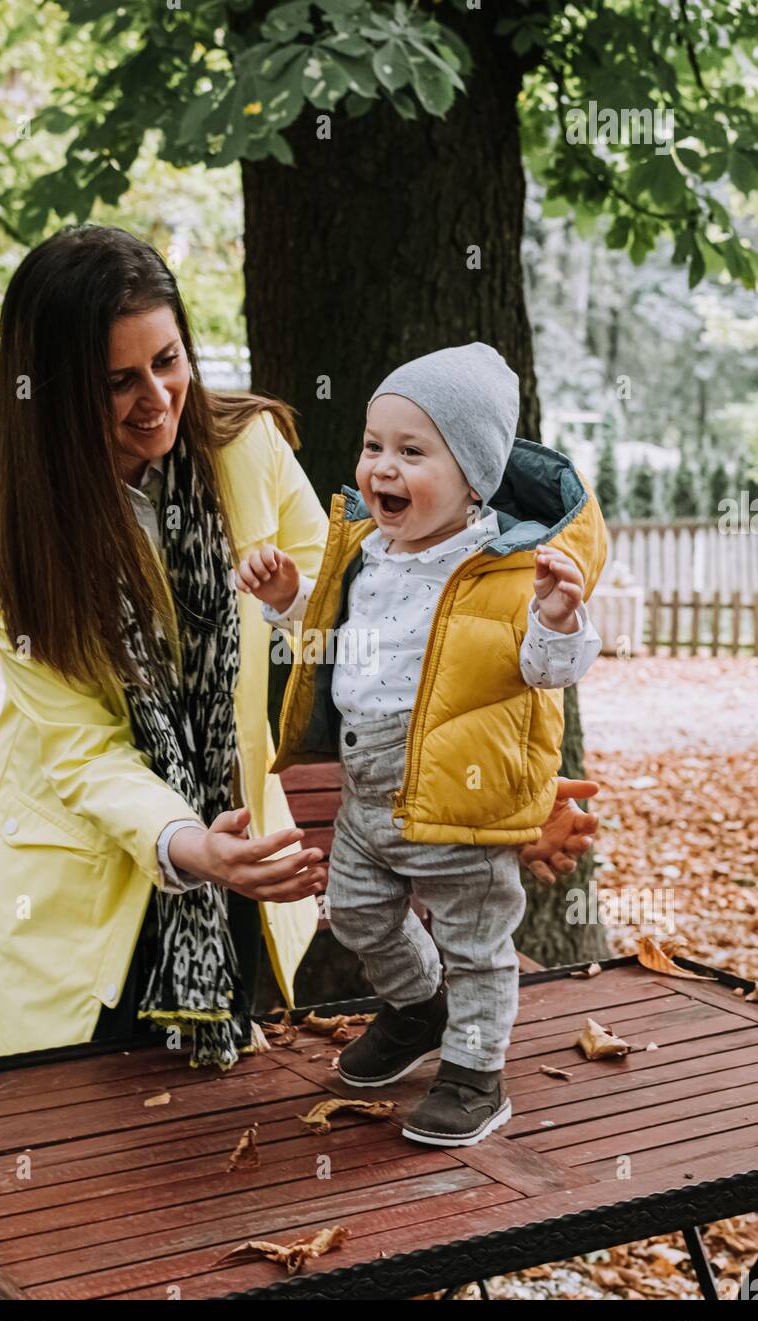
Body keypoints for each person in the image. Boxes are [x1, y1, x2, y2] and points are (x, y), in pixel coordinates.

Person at [0, 225, 330, 1067]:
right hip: (89, 902)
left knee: (228, 1158)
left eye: (168, 361)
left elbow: (355, 623)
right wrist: (191, 847)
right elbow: (83, 747)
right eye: (117, 381)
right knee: (91, 1175)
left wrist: (490, 802)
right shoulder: (6, 525)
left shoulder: (248, 450)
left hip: (239, 863)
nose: (156, 397)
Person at [238, 343, 607, 1141]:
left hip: (458, 794)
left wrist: (558, 617)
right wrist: (287, 600)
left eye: (412, 451)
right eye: (374, 447)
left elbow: (549, 671)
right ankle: (417, 1009)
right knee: (362, 915)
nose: (382, 469)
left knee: (477, 944)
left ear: (474, 477)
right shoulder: (366, 554)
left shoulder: (506, 570)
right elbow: (334, 634)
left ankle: (477, 1074)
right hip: (367, 791)